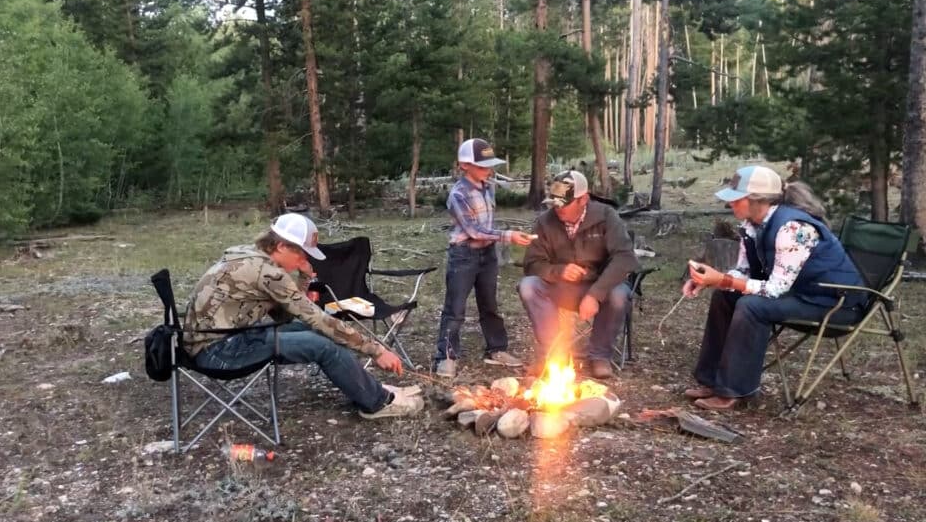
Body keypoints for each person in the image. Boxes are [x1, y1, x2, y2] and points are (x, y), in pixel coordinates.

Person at [183, 213, 424, 419]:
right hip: (218, 352)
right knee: (322, 344)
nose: (305, 260)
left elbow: (285, 316)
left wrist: (305, 278)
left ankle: (371, 389)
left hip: (221, 340)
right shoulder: (266, 272)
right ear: (281, 247)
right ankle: (377, 403)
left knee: (311, 332)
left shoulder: (251, 256)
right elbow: (317, 318)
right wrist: (377, 350)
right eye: (301, 254)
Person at [682, 166, 866, 410]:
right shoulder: (752, 226)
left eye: (736, 199)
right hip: (802, 294)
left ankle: (735, 392)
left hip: (835, 302)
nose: (731, 205)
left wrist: (723, 280)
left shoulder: (793, 229)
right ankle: (713, 381)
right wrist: (711, 279)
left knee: (751, 306)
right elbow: (745, 271)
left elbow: (775, 288)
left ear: (757, 200)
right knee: (724, 297)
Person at [518, 170, 639, 379]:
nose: (557, 209)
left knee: (619, 295)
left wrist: (595, 294)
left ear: (583, 199)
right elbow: (532, 264)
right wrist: (559, 271)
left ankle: (600, 355)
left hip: (602, 286)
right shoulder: (545, 222)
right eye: (554, 203)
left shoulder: (606, 216)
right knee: (528, 286)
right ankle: (555, 353)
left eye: (563, 204)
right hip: (563, 287)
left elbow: (625, 258)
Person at [432, 138, 534, 377]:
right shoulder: (458, 194)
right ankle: (446, 356)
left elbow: (487, 227)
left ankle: (496, 349)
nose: (488, 170)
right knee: (455, 309)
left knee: (490, 304)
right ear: (464, 165)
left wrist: (497, 240)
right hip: (463, 255)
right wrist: (509, 236)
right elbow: (474, 230)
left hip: (487, 254)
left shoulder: (488, 187)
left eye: (490, 165)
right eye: (482, 165)